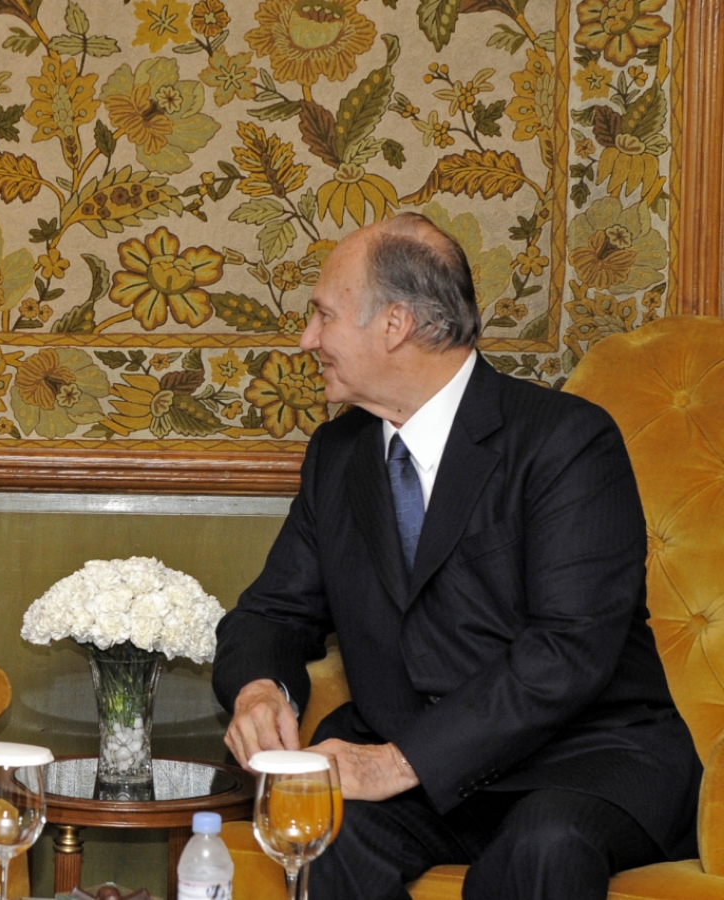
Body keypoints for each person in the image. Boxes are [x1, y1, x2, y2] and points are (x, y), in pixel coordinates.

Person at [212, 213, 701, 900]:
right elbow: (272, 611)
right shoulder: (340, 454)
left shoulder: (566, 442)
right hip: (412, 766)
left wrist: (398, 763)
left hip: (577, 761)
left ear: (395, 325)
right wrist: (260, 687)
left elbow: (566, 651)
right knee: (320, 833)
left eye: (323, 315)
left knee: (544, 847)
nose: (307, 338)